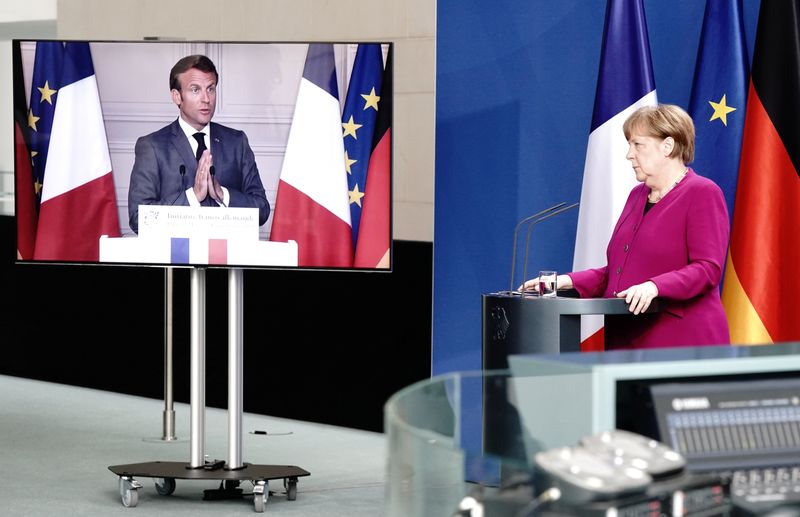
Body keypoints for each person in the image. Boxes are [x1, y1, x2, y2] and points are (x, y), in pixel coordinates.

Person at [523, 104, 730, 349]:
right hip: (627, 338)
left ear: (668, 146)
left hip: (680, 342)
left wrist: (655, 286)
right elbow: (618, 273)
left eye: (637, 145)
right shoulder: (637, 195)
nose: (629, 155)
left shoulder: (702, 193)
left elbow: (708, 269)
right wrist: (565, 281)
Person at [128, 55, 269, 233]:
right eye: (195, 90)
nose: (206, 99)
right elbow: (138, 218)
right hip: (175, 257)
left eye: (210, 89)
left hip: (226, 256)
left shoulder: (237, 142)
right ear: (177, 96)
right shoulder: (152, 146)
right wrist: (192, 197)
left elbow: (262, 210)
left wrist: (222, 194)